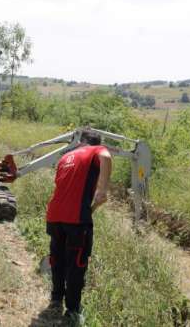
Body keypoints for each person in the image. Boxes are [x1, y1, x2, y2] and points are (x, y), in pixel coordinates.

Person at [45, 129, 112, 323]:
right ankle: (72, 309)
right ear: (92, 143)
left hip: (55, 216)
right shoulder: (95, 150)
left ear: (80, 142)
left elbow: (66, 191)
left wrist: (92, 207)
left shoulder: (65, 157)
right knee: (77, 264)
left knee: (57, 260)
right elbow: (106, 156)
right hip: (75, 220)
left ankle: (56, 298)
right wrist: (103, 190)